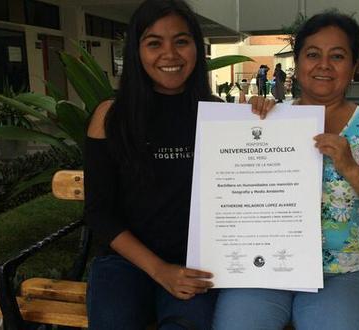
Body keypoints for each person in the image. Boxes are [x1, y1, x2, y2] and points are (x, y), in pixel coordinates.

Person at [213, 10, 359, 330]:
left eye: (337, 56)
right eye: (312, 54)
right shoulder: (270, 121)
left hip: (341, 274)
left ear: (352, 67)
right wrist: (248, 124)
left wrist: (350, 168)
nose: (324, 64)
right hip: (264, 269)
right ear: (298, 63)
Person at [84, 1, 274, 329]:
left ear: (197, 49)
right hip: (125, 263)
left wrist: (267, 117)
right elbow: (99, 213)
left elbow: (257, 181)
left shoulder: (222, 116)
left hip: (198, 264)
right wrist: (159, 270)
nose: (169, 54)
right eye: (154, 43)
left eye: (181, 41)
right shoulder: (111, 117)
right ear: (136, 51)